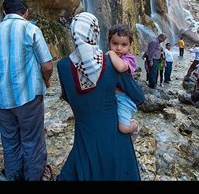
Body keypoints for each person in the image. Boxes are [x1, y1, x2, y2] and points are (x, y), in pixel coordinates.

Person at [56, 12, 145, 180]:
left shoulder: (61, 66)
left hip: (84, 135)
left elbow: (67, 97)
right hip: (114, 136)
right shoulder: (112, 63)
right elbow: (139, 97)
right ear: (95, 33)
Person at [0, 0, 53, 181]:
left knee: (10, 140)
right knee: (32, 140)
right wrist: (46, 82)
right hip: (29, 96)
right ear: (25, 13)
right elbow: (48, 65)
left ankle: (13, 176)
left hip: (2, 99)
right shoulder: (31, 29)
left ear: (4, 12)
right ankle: (34, 176)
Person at [105, 24, 139, 136]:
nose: (118, 48)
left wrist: (110, 53)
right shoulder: (107, 58)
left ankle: (134, 125)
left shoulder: (129, 58)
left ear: (130, 45)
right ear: (109, 42)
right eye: (114, 44)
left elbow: (120, 68)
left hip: (125, 99)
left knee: (123, 128)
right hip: (112, 97)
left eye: (124, 45)